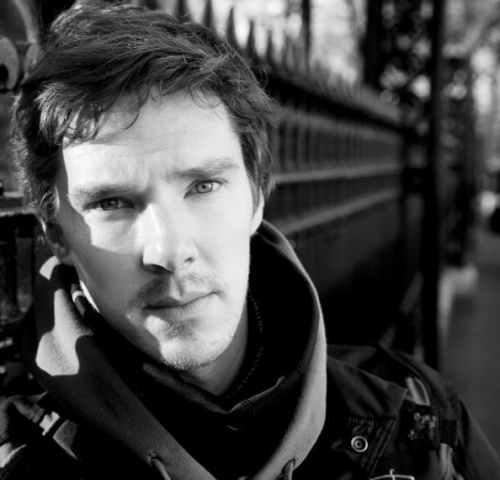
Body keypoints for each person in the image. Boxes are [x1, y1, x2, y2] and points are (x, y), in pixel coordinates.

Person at [1, 2, 499, 479]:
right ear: (56, 233)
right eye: (111, 203)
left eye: (203, 186)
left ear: (257, 197)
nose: (170, 252)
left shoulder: (417, 413)